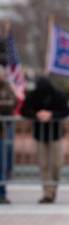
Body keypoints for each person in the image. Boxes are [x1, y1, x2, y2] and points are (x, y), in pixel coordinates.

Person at [21, 77, 69, 204]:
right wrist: (36, 115)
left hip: (55, 134)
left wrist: (51, 115)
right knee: (43, 165)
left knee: (57, 164)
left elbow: (66, 111)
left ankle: (53, 188)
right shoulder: (33, 95)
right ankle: (47, 193)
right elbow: (23, 110)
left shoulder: (58, 94)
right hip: (40, 135)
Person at [0, 66, 16, 204]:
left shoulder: (7, 88)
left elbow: (13, 102)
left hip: (3, 131)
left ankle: (2, 193)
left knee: (3, 164)